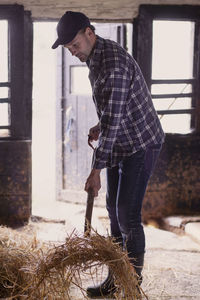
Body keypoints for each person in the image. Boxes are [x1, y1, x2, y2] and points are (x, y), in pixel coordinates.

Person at [52, 11, 165, 298]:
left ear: (89, 32)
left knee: (128, 215)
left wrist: (95, 171)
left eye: (75, 45)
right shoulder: (95, 59)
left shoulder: (112, 65)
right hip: (120, 140)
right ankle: (115, 280)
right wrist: (99, 124)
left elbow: (114, 121)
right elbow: (114, 111)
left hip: (140, 142)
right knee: (114, 214)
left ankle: (131, 285)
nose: (73, 53)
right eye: (68, 49)